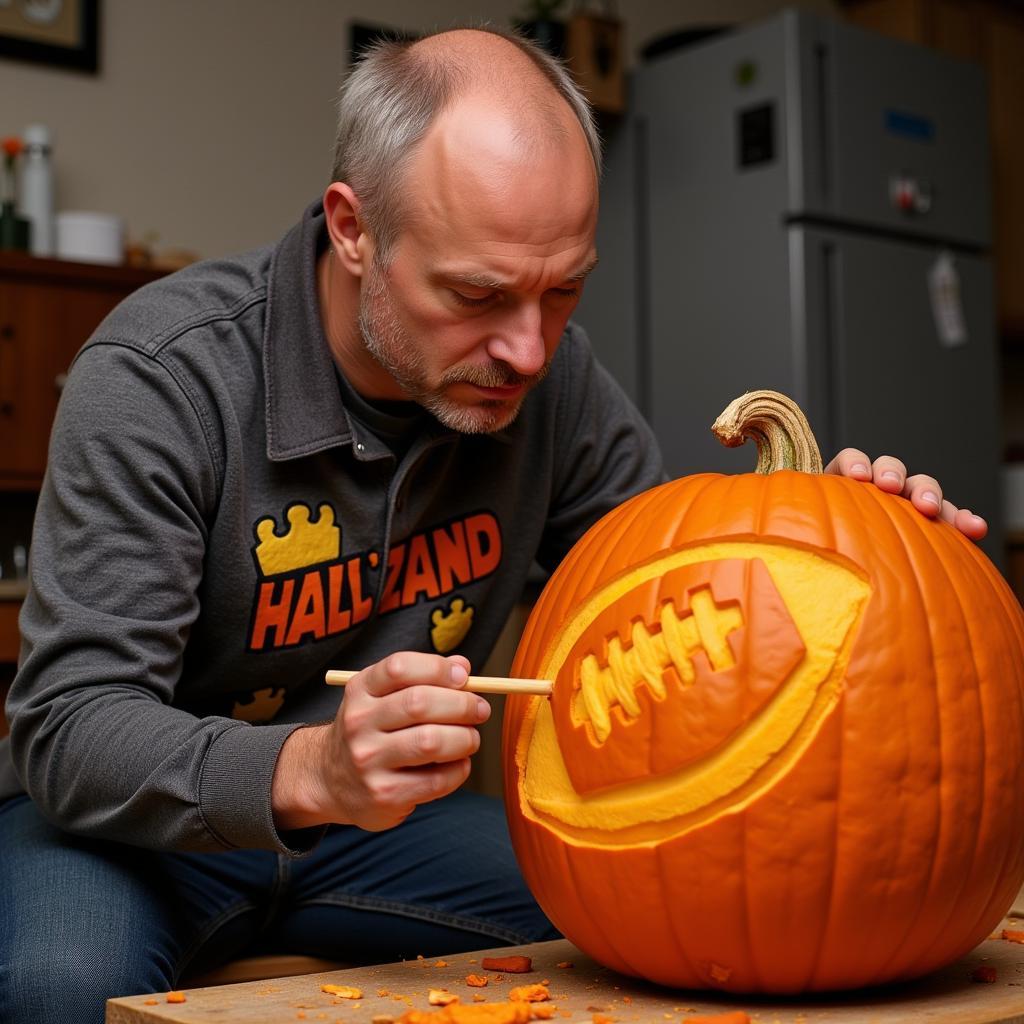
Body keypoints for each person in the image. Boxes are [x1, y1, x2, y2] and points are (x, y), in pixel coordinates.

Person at [0, 25, 987, 1024]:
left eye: (564, 289)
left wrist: (849, 536)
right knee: (58, 991)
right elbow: (70, 729)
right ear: (353, 229)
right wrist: (315, 767)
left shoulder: (552, 383)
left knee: (690, 931)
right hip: (125, 835)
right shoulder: (161, 378)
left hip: (380, 829)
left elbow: (689, 589)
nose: (527, 350)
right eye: (477, 294)